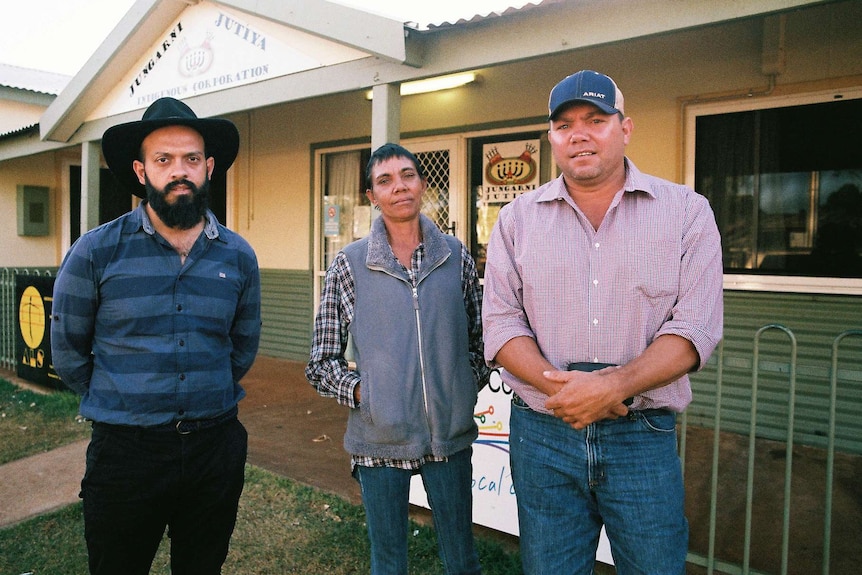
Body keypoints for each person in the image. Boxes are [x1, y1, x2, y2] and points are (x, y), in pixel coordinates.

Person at [481, 70, 724, 574]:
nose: (580, 133)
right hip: (544, 434)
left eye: (596, 119)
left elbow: (695, 330)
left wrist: (613, 385)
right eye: (565, 124)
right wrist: (569, 391)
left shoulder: (686, 212)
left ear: (625, 128)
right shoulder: (516, 220)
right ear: (551, 138)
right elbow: (501, 323)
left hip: (642, 435)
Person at [51, 97, 262, 575]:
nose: (179, 171)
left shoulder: (239, 256)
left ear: (209, 167)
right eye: (163, 160)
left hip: (215, 450)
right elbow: (68, 352)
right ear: (141, 171)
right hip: (126, 456)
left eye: (191, 159)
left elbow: (242, 346)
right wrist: (126, 397)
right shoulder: (95, 253)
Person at [306, 143, 489, 575]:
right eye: (384, 181)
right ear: (372, 196)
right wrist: (366, 394)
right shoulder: (349, 264)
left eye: (407, 175)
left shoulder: (455, 256)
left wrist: (462, 384)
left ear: (422, 184)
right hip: (378, 442)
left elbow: (482, 338)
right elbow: (320, 362)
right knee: (389, 564)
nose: (399, 187)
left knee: (462, 560)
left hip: (449, 438)